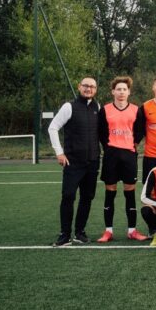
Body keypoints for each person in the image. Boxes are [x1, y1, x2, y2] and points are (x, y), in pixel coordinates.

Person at [48, 77, 101, 246]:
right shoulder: (69, 106)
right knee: (68, 196)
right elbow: (53, 127)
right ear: (79, 87)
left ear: (96, 89)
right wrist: (59, 153)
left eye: (92, 86)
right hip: (73, 162)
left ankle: (80, 232)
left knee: (87, 197)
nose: (88, 89)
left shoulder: (97, 107)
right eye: (85, 86)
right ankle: (65, 235)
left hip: (92, 162)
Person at [97, 76, 148, 243]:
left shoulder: (136, 109)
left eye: (124, 89)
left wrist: (132, 144)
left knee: (130, 193)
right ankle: (108, 231)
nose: (121, 92)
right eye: (118, 89)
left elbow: (140, 131)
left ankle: (132, 230)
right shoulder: (105, 110)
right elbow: (101, 132)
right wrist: (109, 146)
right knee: (110, 192)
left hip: (129, 155)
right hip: (111, 154)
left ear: (129, 92)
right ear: (113, 91)